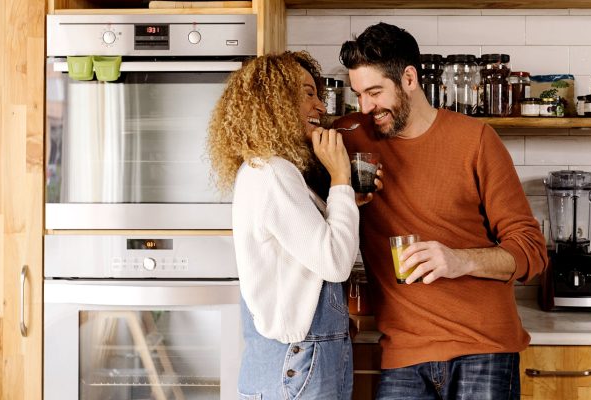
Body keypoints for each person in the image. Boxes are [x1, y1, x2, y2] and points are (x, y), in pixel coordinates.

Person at [335, 23, 548, 399]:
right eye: (358, 95)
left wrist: (459, 261)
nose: (366, 107)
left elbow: (531, 251)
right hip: (403, 349)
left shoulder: (476, 140)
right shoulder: (351, 138)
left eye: (374, 92)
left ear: (409, 78)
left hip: (483, 345)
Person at [208, 51, 371, 399]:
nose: (321, 107)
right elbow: (336, 263)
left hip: (300, 360)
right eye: (308, 93)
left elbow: (301, 257)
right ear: (275, 101)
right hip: (298, 362)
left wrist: (346, 203)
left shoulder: (271, 170)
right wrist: (341, 176)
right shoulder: (273, 173)